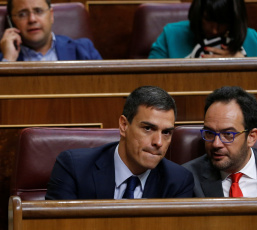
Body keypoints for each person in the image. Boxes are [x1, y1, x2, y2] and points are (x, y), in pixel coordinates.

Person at [45, 85, 194, 200]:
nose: (159, 142)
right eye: (148, 128)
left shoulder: (178, 181)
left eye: (166, 132)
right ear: (124, 125)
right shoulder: (74, 168)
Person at [149, 0, 257, 59]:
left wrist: (244, 66)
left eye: (222, 22)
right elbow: (148, 85)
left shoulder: (251, 39)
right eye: (208, 20)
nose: (214, 30)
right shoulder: (171, 35)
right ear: (198, 12)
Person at [183, 86, 257, 197]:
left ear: (251, 137)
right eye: (209, 133)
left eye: (228, 134)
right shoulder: (187, 178)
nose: (216, 144)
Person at [0, 0, 102, 61]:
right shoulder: (5, 57)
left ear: (51, 15)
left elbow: (104, 86)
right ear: (11, 21)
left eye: (38, 11)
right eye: (22, 14)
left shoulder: (82, 50)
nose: (32, 19)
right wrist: (8, 61)